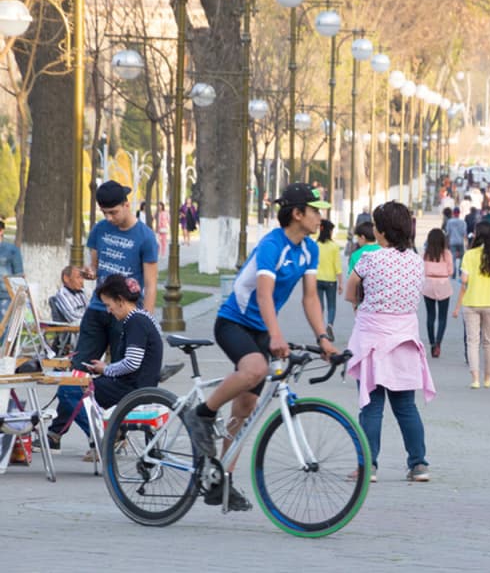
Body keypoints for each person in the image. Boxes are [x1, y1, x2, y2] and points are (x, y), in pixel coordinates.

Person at [183, 183, 339, 510]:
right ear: (297, 214)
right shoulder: (272, 245)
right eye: (315, 211)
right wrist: (277, 335)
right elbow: (265, 294)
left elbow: (310, 298)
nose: (320, 217)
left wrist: (323, 338)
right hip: (233, 322)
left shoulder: (310, 249)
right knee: (255, 369)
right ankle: (202, 413)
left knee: (245, 409)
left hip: (261, 328)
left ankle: (219, 477)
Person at [47, 181, 158, 453]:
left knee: (117, 375)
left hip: (126, 313)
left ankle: (89, 433)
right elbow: (96, 268)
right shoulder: (99, 230)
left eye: (114, 212)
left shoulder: (145, 237)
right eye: (105, 213)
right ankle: (90, 434)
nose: (109, 218)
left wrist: (145, 320)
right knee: (78, 373)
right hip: (98, 309)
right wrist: (89, 273)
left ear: (126, 205)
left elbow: (151, 284)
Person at [344, 201, 436, 483]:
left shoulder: (369, 259)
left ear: (381, 231)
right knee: (406, 407)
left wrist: (362, 302)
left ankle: (368, 466)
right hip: (405, 340)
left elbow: (350, 291)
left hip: (372, 339)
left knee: (371, 406)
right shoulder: (416, 261)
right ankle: (419, 464)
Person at [74, 275, 164, 462]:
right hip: (142, 384)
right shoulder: (144, 316)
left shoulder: (135, 322)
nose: (108, 310)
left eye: (109, 305)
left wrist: (105, 369)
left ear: (120, 301)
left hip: (134, 388)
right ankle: (112, 433)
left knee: (76, 392)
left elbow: (132, 362)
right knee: (90, 387)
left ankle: (109, 436)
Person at [452, 221, 490, 388]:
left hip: (471, 302)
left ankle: (475, 379)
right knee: (489, 341)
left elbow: (464, 280)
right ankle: (488, 378)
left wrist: (457, 306)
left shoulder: (470, 255)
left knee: (472, 341)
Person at [422, 228, 454, 358]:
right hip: (443, 284)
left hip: (428, 284)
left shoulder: (425, 253)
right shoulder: (446, 254)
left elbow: (421, 269)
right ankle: (438, 343)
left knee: (430, 316)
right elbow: (451, 271)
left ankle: (431, 343)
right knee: (442, 317)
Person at [315, 219, 343, 342]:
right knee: (331, 305)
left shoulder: (315, 245)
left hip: (317, 279)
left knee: (319, 306)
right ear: (330, 231)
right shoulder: (334, 246)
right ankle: (329, 326)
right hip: (331, 280)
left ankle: (320, 331)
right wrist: (341, 283)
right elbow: (338, 266)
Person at [0, 219, 24, 317]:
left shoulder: (11, 250)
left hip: (4, 296)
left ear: (1, 231)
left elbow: (19, 274)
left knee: (4, 328)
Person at [445, 207, 467, 277]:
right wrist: (466, 243)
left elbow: (448, 233)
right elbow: (464, 233)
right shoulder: (463, 222)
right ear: (459, 213)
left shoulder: (449, 222)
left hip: (452, 242)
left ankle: (453, 273)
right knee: (462, 258)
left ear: (453, 213)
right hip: (460, 242)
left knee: (453, 258)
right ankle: (460, 272)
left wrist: (446, 243)